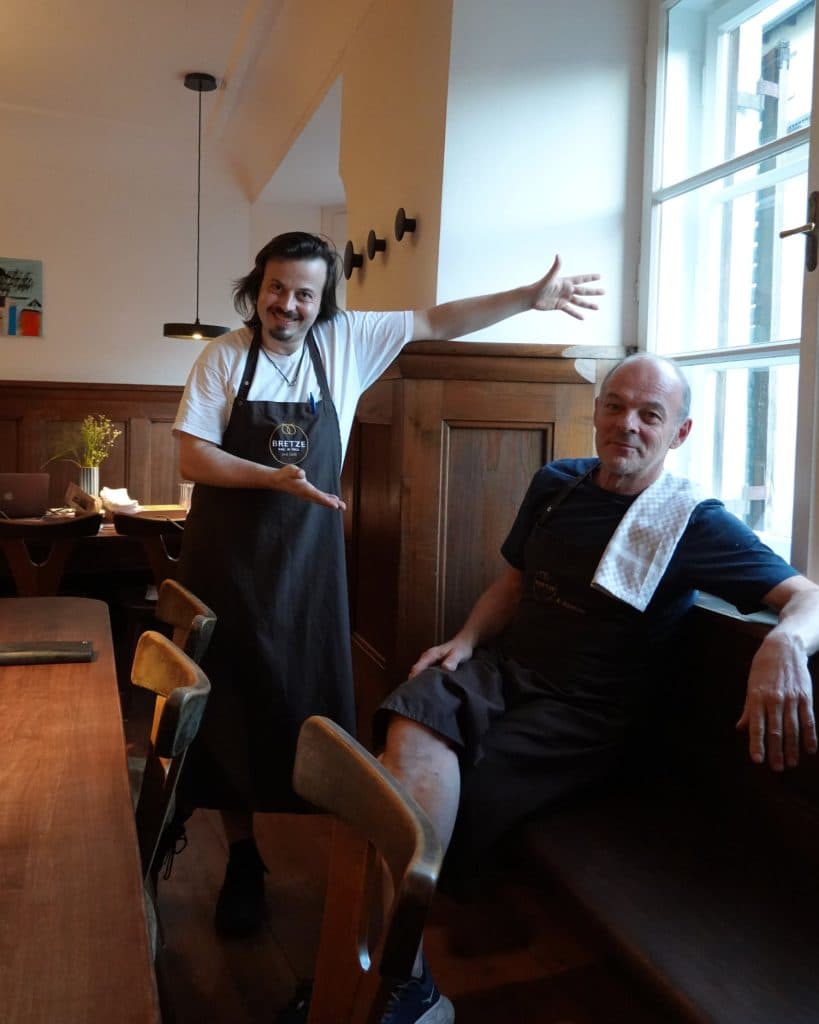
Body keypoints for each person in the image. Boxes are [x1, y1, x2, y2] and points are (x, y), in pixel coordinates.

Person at [171, 231, 603, 948]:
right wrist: (268, 478)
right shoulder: (222, 356)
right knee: (231, 714)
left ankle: (349, 870)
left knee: (317, 707)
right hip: (226, 563)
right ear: (258, 287)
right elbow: (192, 456)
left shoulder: (347, 340)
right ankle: (242, 859)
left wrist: (529, 298)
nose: (289, 305)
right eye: (277, 289)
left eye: (305, 293)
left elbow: (437, 320)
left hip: (308, 573)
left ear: (323, 299)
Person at [375, 352, 819, 1022]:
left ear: (680, 432)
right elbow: (514, 583)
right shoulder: (555, 483)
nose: (627, 425)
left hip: (585, 713)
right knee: (411, 719)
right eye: (614, 405)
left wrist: (785, 640)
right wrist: (464, 643)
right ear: (595, 412)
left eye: (649, 414)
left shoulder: (693, 522)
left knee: (467, 774)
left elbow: (805, 595)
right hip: (505, 670)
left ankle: (389, 958)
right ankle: (402, 962)